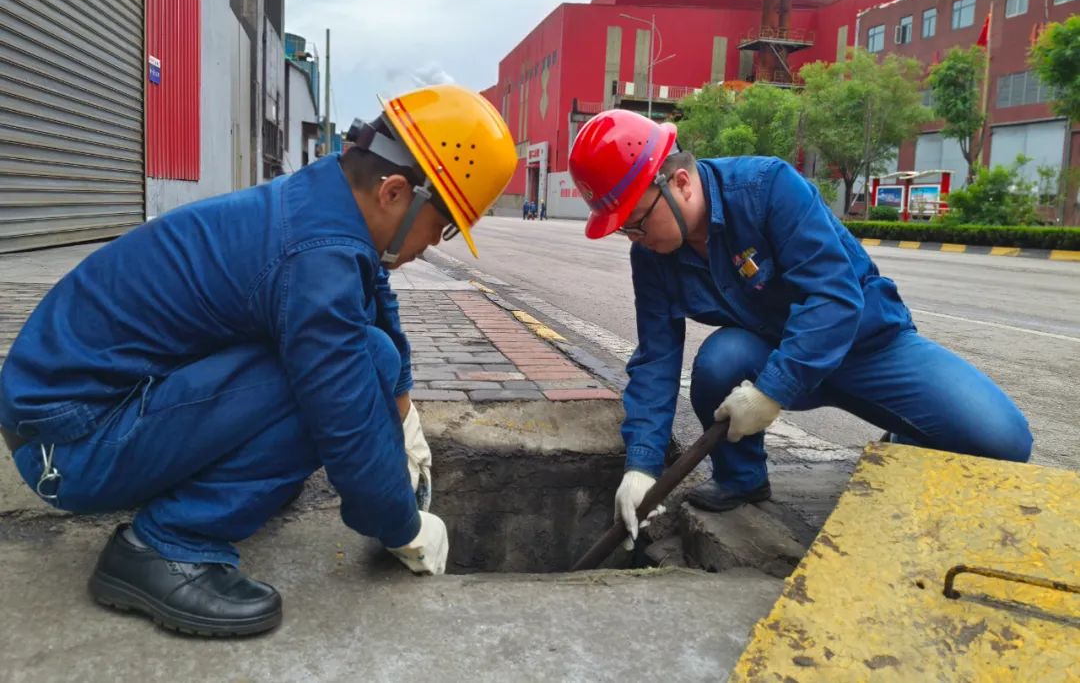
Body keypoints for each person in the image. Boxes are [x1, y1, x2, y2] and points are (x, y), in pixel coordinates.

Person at [0, 84, 517, 637]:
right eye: (439, 230)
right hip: (71, 446)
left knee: (374, 356)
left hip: (76, 415)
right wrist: (401, 523)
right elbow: (343, 419)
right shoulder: (316, 257)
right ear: (394, 191)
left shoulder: (321, 203)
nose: (428, 248)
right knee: (339, 378)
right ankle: (167, 544)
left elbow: (373, 294)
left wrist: (405, 412)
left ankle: (231, 484)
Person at [567, 109, 1032, 545]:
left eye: (636, 222)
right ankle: (742, 478)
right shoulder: (652, 258)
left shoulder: (766, 187)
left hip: (867, 346)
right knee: (720, 360)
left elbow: (834, 296)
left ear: (680, 183)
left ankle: (905, 438)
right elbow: (656, 359)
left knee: (1004, 442)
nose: (634, 238)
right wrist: (642, 466)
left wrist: (771, 391)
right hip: (773, 352)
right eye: (623, 230)